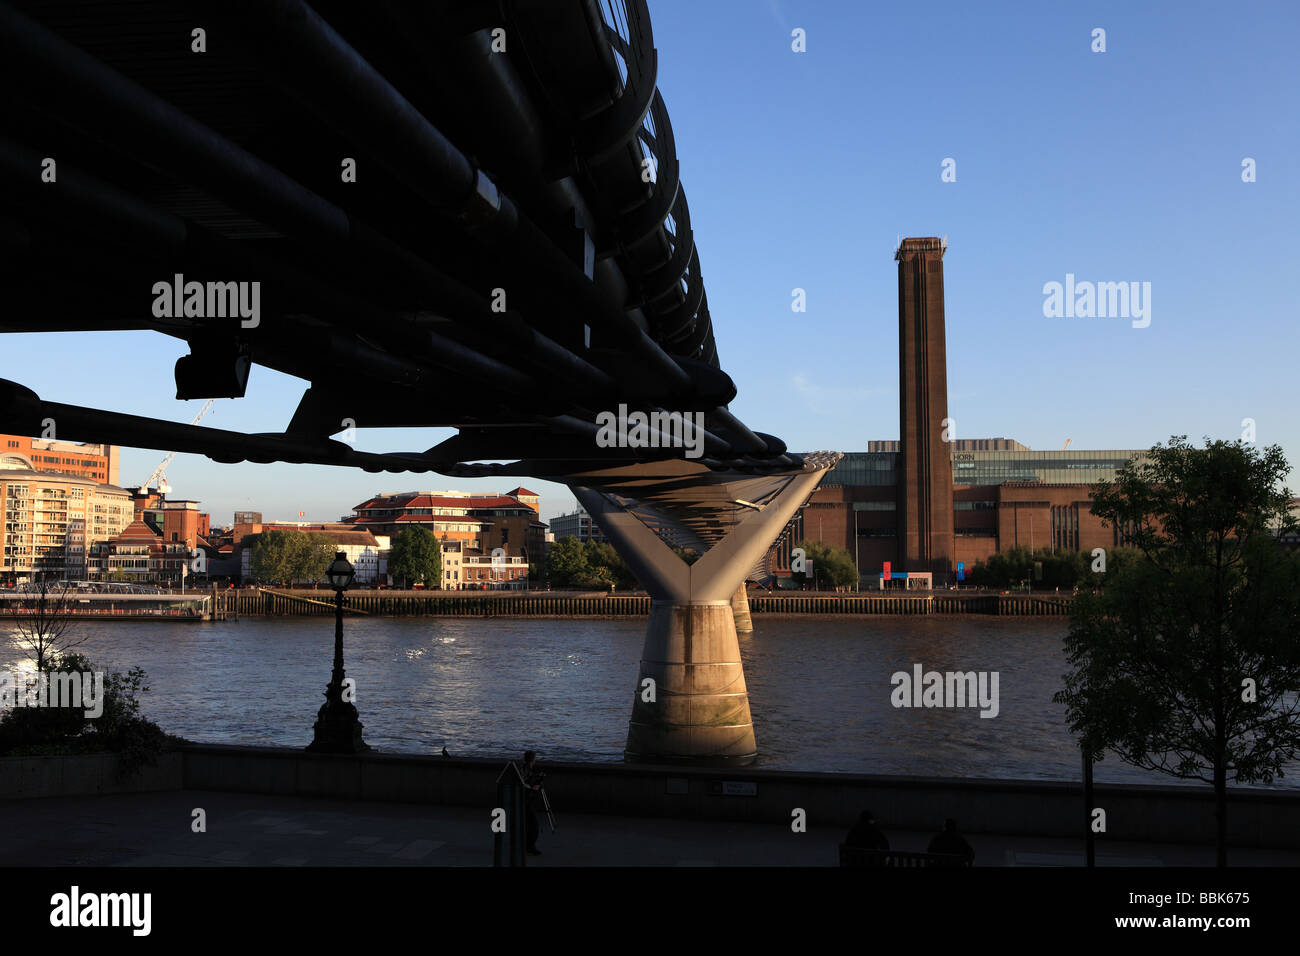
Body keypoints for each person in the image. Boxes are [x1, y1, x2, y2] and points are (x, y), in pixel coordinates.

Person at [521, 750, 545, 856]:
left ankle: (526, 845)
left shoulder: (524, 768)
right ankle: (530, 846)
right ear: (533, 760)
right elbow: (524, 784)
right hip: (525, 800)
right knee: (533, 825)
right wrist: (533, 787)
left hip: (525, 799)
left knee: (528, 824)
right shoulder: (526, 769)